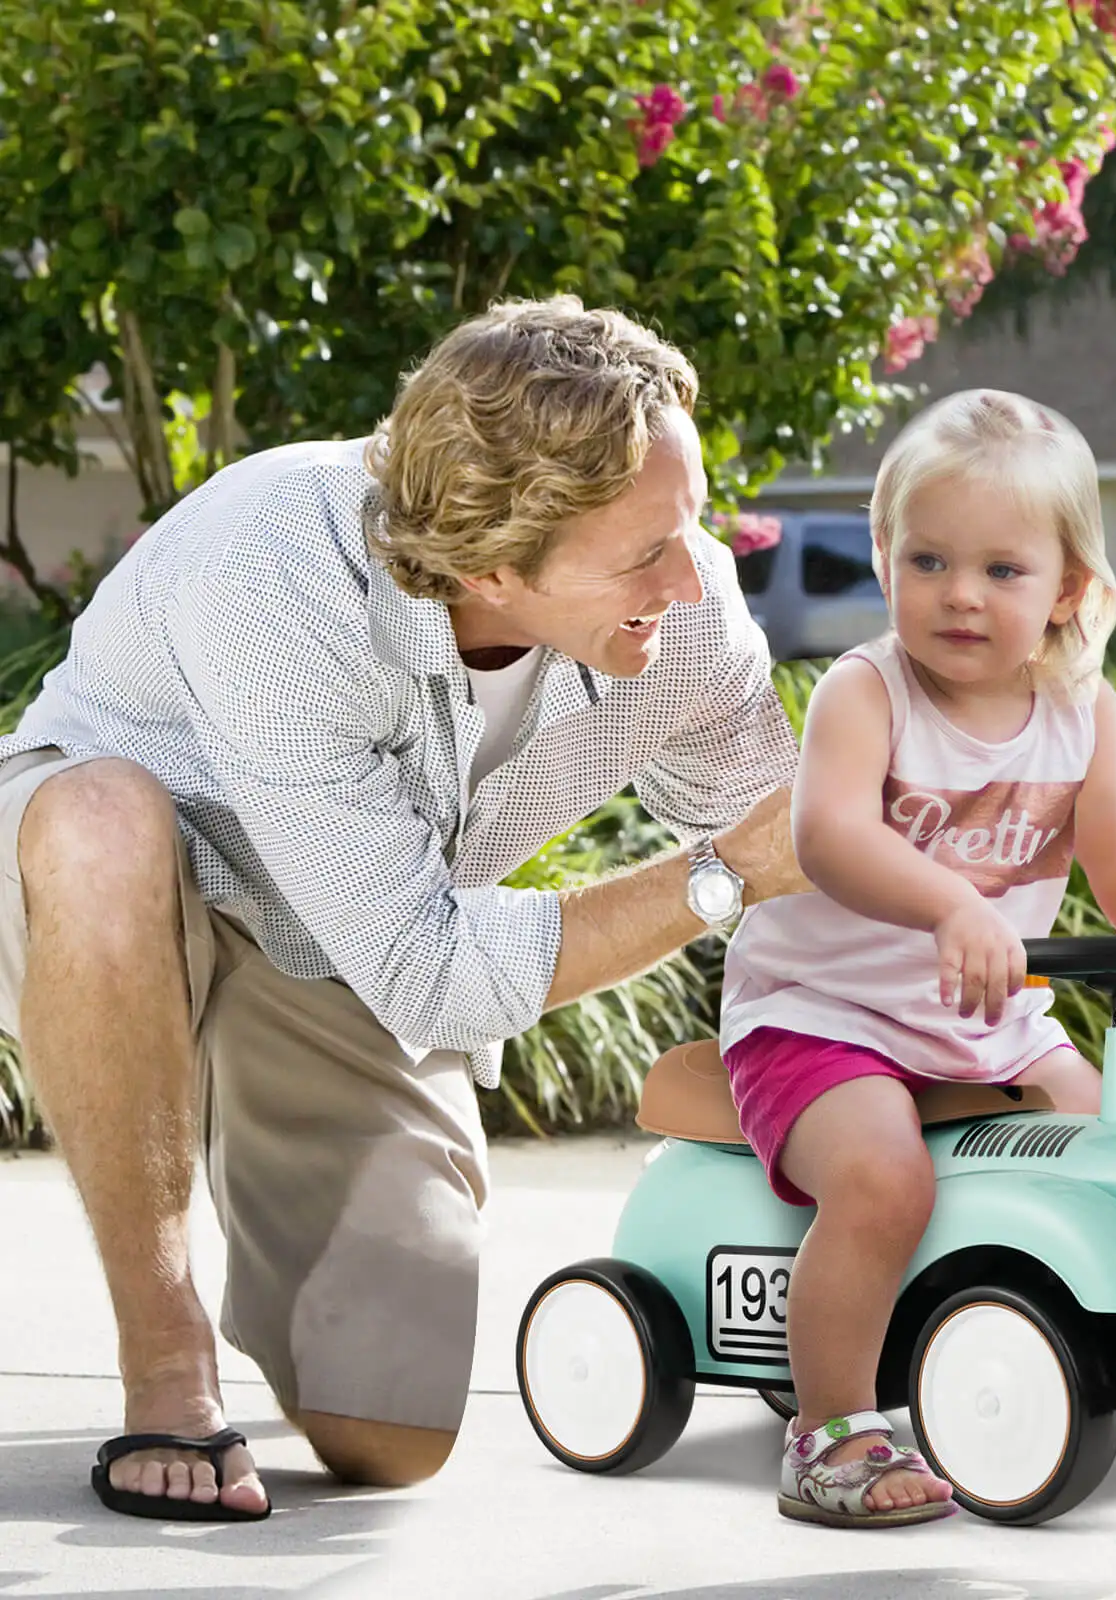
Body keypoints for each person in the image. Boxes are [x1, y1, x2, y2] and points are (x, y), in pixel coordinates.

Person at [0, 297, 804, 1521]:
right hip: (103, 897)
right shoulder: (274, 569)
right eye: (643, 551)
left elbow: (801, 841)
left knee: (392, 1431)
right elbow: (442, 971)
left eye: (686, 524)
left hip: (336, 951)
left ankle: (249, 1158)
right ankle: (166, 1360)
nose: (693, 577)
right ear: (489, 565)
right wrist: (719, 874)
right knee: (103, 823)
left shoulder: (681, 611)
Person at [718, 389, 1116, 1527]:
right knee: (885, 1180)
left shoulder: (1083, 713)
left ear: (1068, 586)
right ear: (882, 559)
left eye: (1002, 571)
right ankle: (829, 1435)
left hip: (991, 1019)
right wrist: (949, 905)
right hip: (823, 1014)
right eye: (928, 559)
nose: (959, 593)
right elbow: (827, 836)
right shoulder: (864, 691)